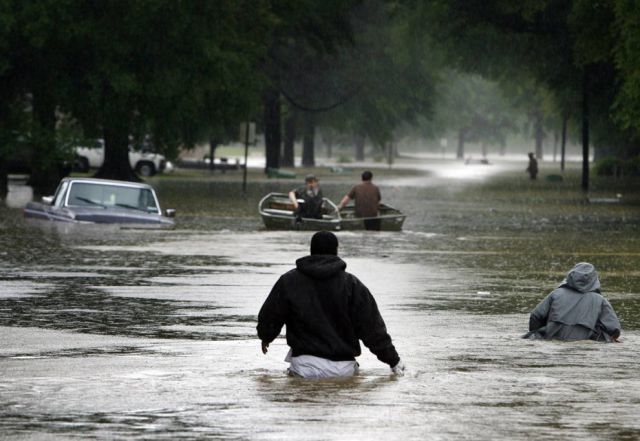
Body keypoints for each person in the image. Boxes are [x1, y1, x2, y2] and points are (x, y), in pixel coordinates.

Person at [257, 231, 405, 378]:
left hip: (303, 367)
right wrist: (393, 361)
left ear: (311, 250)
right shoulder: (352, 285)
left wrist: (266, 337)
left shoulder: (288, 281)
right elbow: (372, 330)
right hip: (344, 369)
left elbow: (270, 315)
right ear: (336, 251)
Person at [525, 262, 621, 342]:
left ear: (570, 276)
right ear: (594, 279)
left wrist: (543, 330)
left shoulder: (556, 294)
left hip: (550, 340)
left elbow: (535, 316)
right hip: (584, 343)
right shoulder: (601, 300)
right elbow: (614, 329)